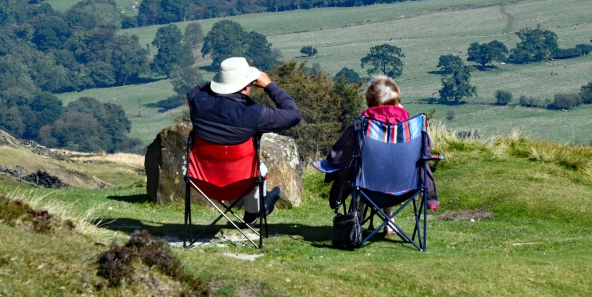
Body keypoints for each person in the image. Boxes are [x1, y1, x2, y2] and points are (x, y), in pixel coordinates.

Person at [314, 76, 438, 234]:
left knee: (362, 169)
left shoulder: (362, 125)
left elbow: (340, 153)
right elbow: (426, 149)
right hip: (404, 186)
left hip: (367, 187)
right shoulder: (410, 127)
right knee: (389, 167)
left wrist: (332, 164)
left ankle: (358, 217)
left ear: (369, 100)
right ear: (397, 100)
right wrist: (400, 111)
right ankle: (389, 221)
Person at [187, 57, 301, 225]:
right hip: (242, 183)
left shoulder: (197, 103)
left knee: (248, 169)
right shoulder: (254, 114)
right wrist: (269, 85)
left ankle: (255, 212)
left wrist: (223, 80)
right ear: (247, 86)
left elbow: (195, 90)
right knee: (256, 169)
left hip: (203, 182)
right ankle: (253, 214)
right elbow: (294, 115)